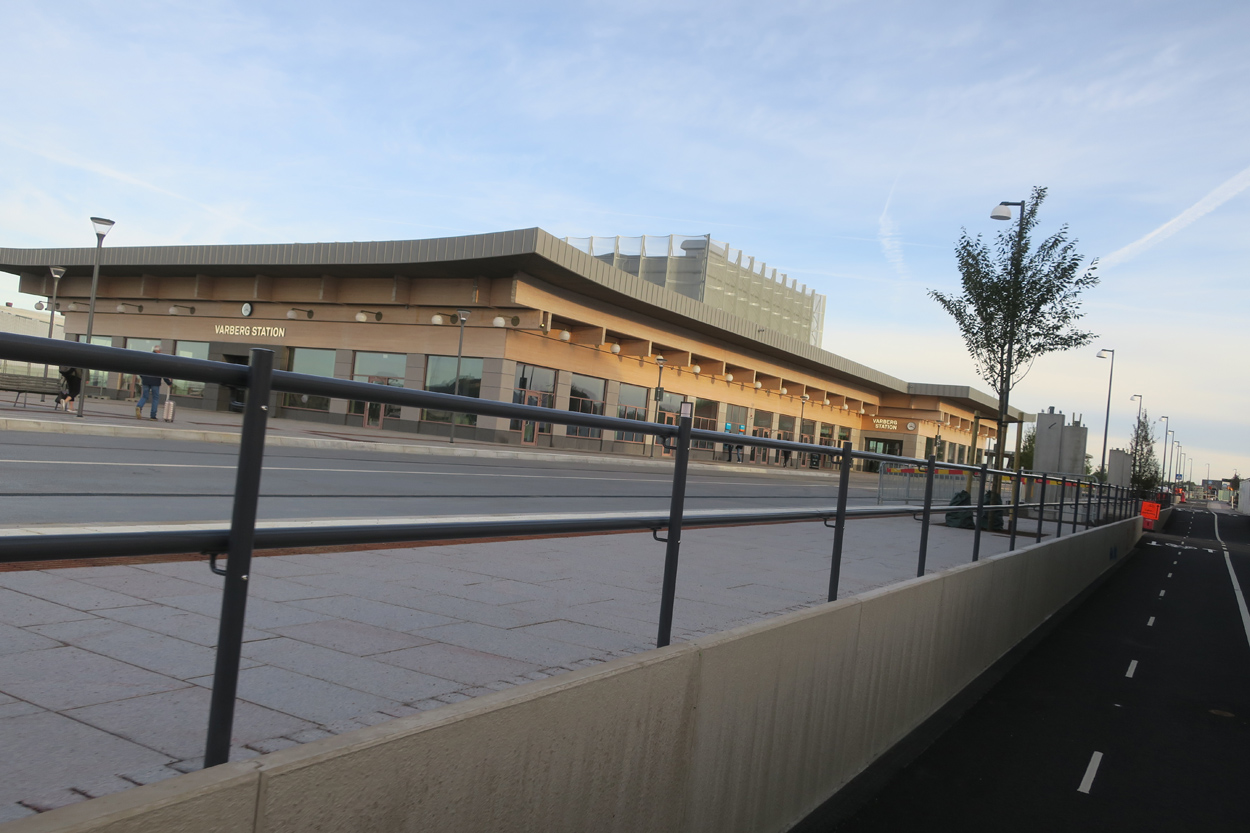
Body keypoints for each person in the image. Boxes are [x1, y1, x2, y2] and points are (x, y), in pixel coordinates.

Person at [135, 347, 173, 421]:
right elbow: (163, 373)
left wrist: (143, 378)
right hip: (155, 382)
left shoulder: (146, 359)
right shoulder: (160, 360)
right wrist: (169, 382)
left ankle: (139, 406)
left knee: (144, 396)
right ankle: (153, 416)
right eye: (160, 351)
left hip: (146, 381)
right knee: (155, 398)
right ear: (158, 351)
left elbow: (140, 370)